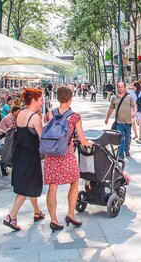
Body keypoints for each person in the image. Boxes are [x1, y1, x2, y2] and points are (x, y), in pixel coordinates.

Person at [44, 86, 94, 232]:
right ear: (70, 98)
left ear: (58, 98)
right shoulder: (75, 117)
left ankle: (53, 219)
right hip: (66, 154)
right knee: (74, 181)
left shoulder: (49, 114)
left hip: (51, 154)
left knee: (52, 186)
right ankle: (71, 214)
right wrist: (90, 143)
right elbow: (83, 140)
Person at [3, 88, 46, 231]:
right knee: (25, 188)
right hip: (30, 156)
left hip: (20, 155)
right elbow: (42, 138)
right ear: (33, 101)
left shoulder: (21, 113)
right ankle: (11, 216)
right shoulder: (34, 117)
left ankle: (37, 212)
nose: (42, 102)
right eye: (40, 100)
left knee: (29, 185)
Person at [105, 82, 137, 158]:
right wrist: (107, 118)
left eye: (122, 87)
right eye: (119, 87)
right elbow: (110, 109)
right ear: (117, 88)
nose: (120, 88)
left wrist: (134, 112)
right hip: (119, 122)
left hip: (128, 122)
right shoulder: (114, 98)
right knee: (121, 138)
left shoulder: (129, 97)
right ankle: (121, 155)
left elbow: (135, 106)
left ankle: (127, 149)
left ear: (125, 88)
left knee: (128, 138)